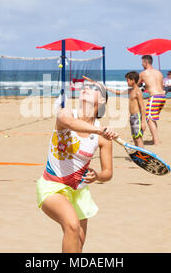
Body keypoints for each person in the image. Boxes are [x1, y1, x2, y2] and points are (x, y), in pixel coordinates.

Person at [36, 80, 118, 253]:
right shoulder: (66, 114)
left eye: (94, 88)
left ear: (101, 101)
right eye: (86, 87)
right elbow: (71, 124)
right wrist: (100, 130)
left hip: (80, 193)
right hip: (53, 186)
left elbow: (108, 173)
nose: (86, 88)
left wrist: (97, 176)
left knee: (77, 245)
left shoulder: (102, 136)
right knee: (72, 226)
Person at [106, 71, 147, 148]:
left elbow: (142, 107)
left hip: (137, 117)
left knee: (138, 138)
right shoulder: (130, 90)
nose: (126, 82)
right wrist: (107, 88)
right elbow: (118, 92)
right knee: (134, 137)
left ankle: (143, 155)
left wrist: (143, 122)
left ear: (133, 80)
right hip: (132, 117)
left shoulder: (138, 92)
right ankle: (138, 153)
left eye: (127, 80)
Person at [138, 55, 166, 145]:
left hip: (154, 97)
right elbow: (161, 86)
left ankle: (156, 141)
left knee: (149, 119)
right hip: (162, 97)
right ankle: (155, 138)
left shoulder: (143, 73)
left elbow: (137, 84)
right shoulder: (159, 73)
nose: (142, 64)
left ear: (146, 63)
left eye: (142, 63)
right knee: (152, 118)